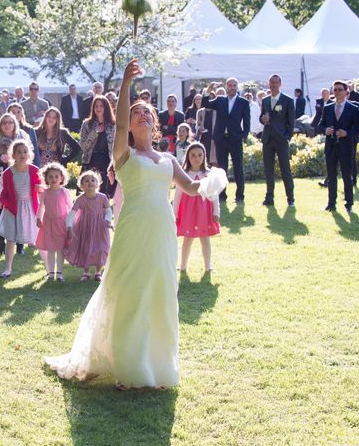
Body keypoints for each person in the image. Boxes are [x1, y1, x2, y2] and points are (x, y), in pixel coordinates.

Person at [45, 59, 226, 389]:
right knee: (128, 289)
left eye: (148, 113)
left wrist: (213, 179)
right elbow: (122, 116)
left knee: (158, 291)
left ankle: (154, 362)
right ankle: (126, 364)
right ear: (129, 124)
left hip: (162, 231)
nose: (142, 116)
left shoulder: (169, 160)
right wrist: (126, 85)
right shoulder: (124, 154)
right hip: (133, 228)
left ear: (154, 124)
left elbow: (192, 188)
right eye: (137, 113)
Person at [0, 139, 41, 279]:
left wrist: (41, 191)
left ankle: (49, 269)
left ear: (29, 154)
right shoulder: (8, 173)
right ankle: (7, 268)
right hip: (13, 208)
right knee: (11, 239)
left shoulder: (34, 170)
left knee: (38, 238)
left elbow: (40, 189)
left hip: (30, 208)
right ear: (13, 155)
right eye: (19, 152)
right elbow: (5, 193)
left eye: (25, 151)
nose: (22, 154)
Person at [0, 113, 32, 254]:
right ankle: (1, 245)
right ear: (0, 126)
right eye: (4, 123)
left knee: (19, 213)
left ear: (15, 124)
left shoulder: (22, 140)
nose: (7, 125)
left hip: (19, 180)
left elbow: (30, 157)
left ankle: (19, 246)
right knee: (0, 213)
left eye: (10, 122)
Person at [173, 143, 220, 272]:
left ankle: (208, 266)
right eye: (193, 155)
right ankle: (182, 266)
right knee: (187, 239)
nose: (196, 158)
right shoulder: (184, 174)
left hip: (204, 211)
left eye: (200, 155)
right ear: (188, 157)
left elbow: (214, 194)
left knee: (205, 238)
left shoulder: (208, 174)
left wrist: (216, 211)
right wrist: (174, 213)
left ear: (204, 156)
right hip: (188, 212)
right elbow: (177, 195)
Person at [202, 79, 250, 202]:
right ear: (226, 87)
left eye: (234, 85)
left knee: (238, 168)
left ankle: (240, 196)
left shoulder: (243, 102)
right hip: (221, 139)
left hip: (235, 139)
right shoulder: (220, 100)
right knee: (222, 168)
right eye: (230, 85)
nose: (232, 87)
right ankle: (222, 195)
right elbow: (205, 103)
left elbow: (247, 121)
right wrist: (209, 90)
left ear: (237, 87)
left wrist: (243, 135)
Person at [64, 170, 111, 282]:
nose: (90, 182)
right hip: (86, 227)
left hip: (100, 226)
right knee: (87, 248)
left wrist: (108, 220)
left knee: (101, 248)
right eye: (86, 181)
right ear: (81, 185)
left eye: (93, 180)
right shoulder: (80, 199)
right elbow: (72, 214)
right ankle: (86, 272)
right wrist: (69, 227)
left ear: (97, 183)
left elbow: (108, 210)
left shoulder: (102, 197)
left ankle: (98, 272)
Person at [319, 80, 359, 212]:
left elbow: (358, 128)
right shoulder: (328, 107)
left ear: (346, 91)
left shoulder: (353, 109)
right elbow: (320, 124)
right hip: (331, 146)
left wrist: (347, 133)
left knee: (347, 176)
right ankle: (331, 203)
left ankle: (349, 204)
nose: (336, 92)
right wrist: (325, 130)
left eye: (339, 89)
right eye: (335, 89)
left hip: (346, 147)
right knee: (331, 176)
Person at [260, 74, 295, 207]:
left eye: (275, 82)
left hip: (281, 139)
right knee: (268, 170)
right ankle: (269, 197)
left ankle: (290, 198)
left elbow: (291, 121)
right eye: (271, 82)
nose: (273, 85)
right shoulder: (265, 100)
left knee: (285, 169)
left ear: (280, 84)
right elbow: (261, 117)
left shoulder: (287, 100)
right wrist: (263, 119)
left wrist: (287, 136)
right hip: (268, 139)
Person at [35, 162, 72, 282]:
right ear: (46, 178)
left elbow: (70, 207)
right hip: (49, 223)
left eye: (56, 176)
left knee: (60, 249)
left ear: (62, 178)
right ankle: (51, 273)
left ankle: (59, 272)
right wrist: (38, 218)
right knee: (51, 249)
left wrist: (71, 222)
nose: (53, 179)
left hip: (61, 223)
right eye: (50, 177)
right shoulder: (45, 192)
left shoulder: (64, 192)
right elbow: (41, 206)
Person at [79, 95, 116, 195]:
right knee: (88, 191)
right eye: (96, 106)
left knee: (104, 192)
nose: (98, 109)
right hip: (91, 160)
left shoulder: (113, 125)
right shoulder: (87, 124)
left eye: (101, 106)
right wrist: (94, 133)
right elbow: (83, 146)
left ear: (106, 108)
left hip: (107, 161)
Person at [7, 103, 40, 167]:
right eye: (13, 112)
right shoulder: (5, 128)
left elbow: (35, 150)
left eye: (18, 112)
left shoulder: (29, 129)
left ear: (22, 114)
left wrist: (36, 168)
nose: (16, 114)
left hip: (27, 165)